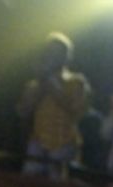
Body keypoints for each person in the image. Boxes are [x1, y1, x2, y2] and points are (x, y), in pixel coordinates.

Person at [17, 32, 89, 177]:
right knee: (27, 185)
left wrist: (52, 83)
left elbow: (76, 111)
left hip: (64, 142)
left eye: (58, 52)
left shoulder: (76, 82)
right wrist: (41, 85)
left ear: (66, 57)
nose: (53, 56)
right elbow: (23, 111)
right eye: (50, 51)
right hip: (37, 141)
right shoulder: (35, 84)